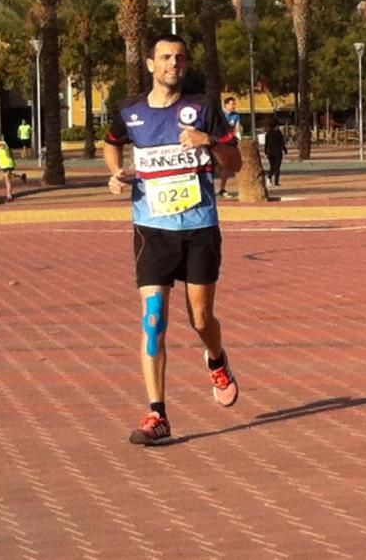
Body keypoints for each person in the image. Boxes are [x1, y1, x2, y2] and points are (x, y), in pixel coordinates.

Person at [103, 33, 242, 445]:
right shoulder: (130, 111)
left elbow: (234, 161)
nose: (173, 64)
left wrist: (210, 142)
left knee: (200, 319)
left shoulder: (201, 108)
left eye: (180, 58)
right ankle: (157, 414)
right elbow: (112, 145)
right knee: (154, 320)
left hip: (199, 228)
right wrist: (115, 174)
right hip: (152, 229)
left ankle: (217, 359)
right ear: (150, 64)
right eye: (165, 57)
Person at [218, 96, 242, 198]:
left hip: (229, 141)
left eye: (234, 104)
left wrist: (239, 138)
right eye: (232, 104)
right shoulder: (220, 115)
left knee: (227, 166)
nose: (233, 106)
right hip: (217, 141)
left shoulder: (236, 116)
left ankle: (222, 189)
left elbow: (237, 128)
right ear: (226, 105)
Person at [0, 134, 26, 201]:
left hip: (7, 164)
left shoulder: (2, 143)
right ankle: (21, 176)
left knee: (7, 180)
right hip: (3, 165)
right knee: (7, 176)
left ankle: (9, 196)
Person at [264, 118, 287, 187]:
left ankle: (269, 178)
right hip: (277, 152)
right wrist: (285, 150)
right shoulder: (279, 133)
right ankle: (276, 182)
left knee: (272, 166)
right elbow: (282, 143)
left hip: (270, 152)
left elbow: (266, 144)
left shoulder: (268, 134)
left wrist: (265, 151)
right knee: (277, 167)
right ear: (276, 126)